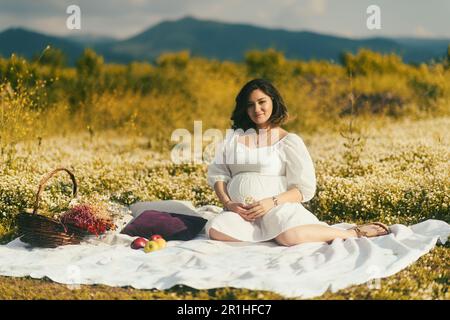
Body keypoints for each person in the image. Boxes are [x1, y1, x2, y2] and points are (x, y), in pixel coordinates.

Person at [205, 78, 390, 246]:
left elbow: (303, 189)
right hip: (242, 213)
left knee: (290, 237)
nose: (256, 109)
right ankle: (268, 235)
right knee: (215, 228)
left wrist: (271, 202)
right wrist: (229, 204)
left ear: (273, 102)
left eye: (262, 102)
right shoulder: (233, 139)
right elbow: (219, 174)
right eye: (250, 105)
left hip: (276, 208)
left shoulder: (288, 141)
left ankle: (352, 233)